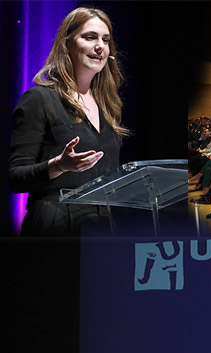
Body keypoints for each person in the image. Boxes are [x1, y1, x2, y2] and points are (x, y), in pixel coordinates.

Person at [8, 7, 127, 236]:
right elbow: (16, 178)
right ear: (67, 44)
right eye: (89, 37)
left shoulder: (109, 105)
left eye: (106, 40)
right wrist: (58, 165)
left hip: (102, 229)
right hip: (57, 226)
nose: (100, 46)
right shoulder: (40, 99)